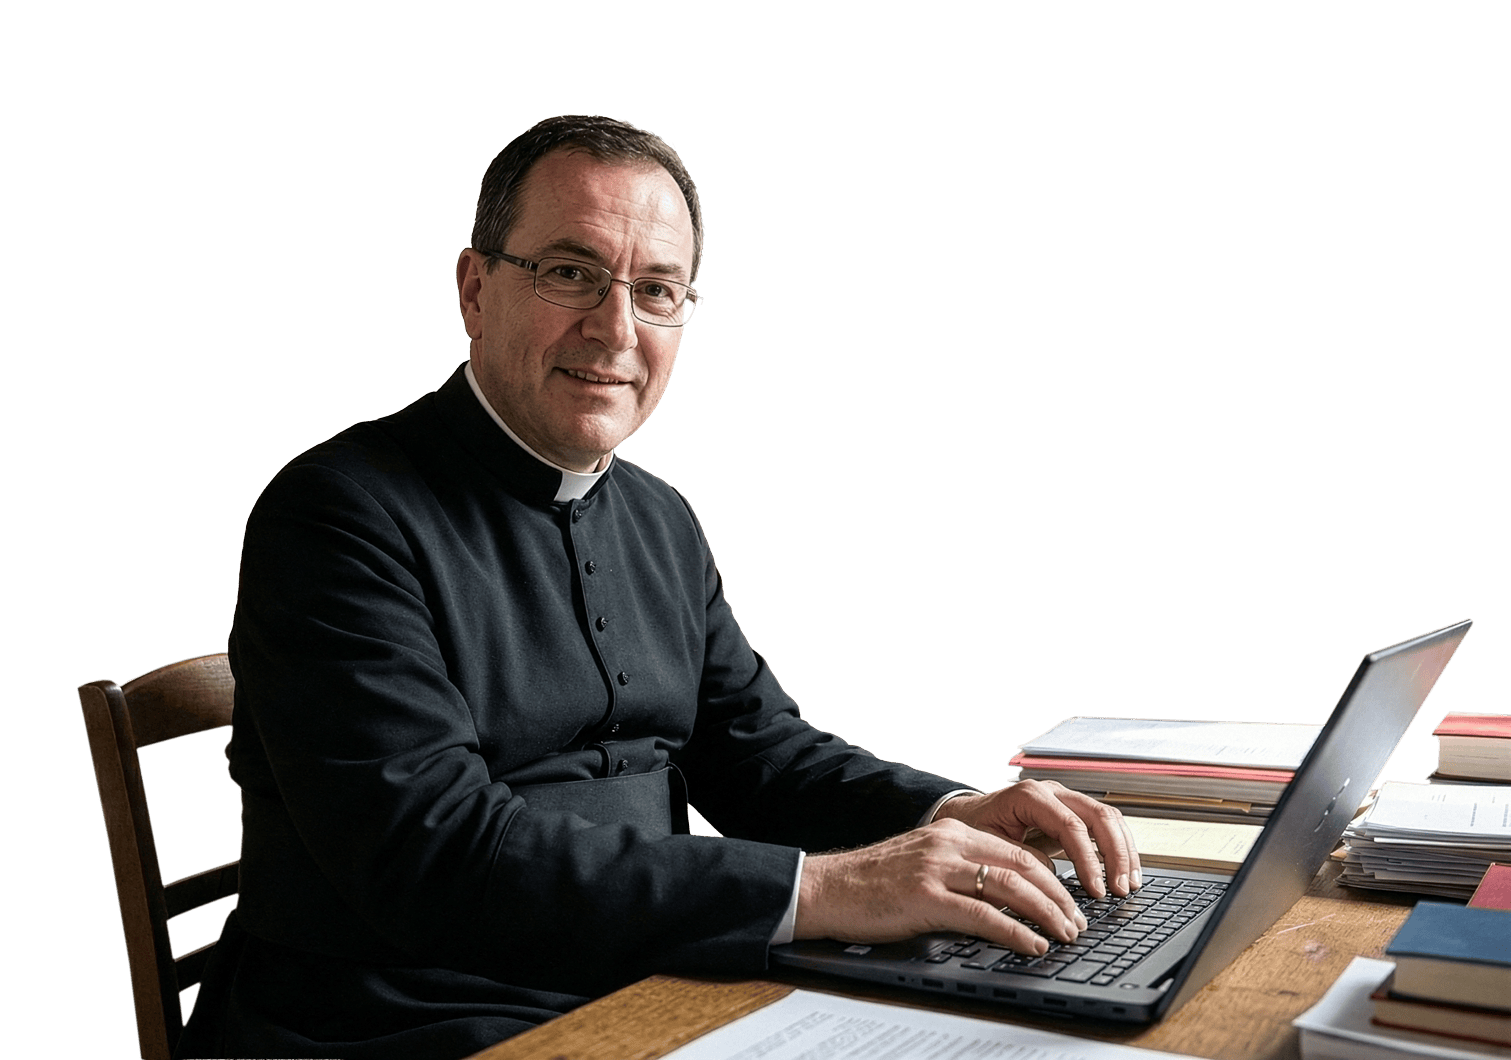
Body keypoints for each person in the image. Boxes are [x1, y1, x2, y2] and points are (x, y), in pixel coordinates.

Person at [177, 115, 1139, 1060]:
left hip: (643, 980)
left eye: (657, 290)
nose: (616, 328)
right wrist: (821, 890)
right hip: (394, 1013)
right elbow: (436, 857)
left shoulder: (658, 513)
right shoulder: (335, 514)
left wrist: (945, 814)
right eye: (570, 273)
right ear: (474, 289)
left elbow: (755, 750)